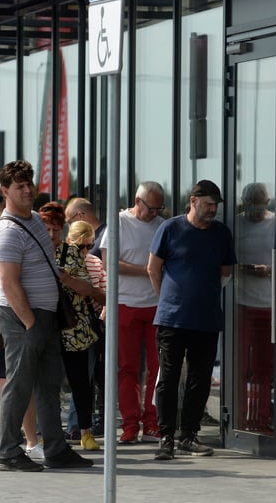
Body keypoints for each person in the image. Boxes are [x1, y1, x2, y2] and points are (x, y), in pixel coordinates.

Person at [0, 160, 93, 472]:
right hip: (21, 316)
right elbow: (9, 283)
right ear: (5, 191)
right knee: (19, 384)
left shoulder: (35, 219)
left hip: (43, 315)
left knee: (49, 384)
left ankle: (56, 449)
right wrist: (31, 323)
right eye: (19, 186)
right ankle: (8, 452)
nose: (26, 190)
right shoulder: (6, 231)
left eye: (28, 184)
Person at [148, 179, 236, 460]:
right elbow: (153, 268)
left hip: (207, 319)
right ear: (193, 201)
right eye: (208, 204)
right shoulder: (171, 228)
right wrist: (168, 299)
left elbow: (225, 272)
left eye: (215, 205)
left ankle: (188, 436)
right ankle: (165, 438)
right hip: (172, 319)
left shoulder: (221, 233)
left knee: (200, 380)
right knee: (169, 378)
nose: (212, 210)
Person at [100, 181, 165, 444]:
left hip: (155, 305)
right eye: (151, 208)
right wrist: (147, 270)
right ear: (138, 201)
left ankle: (152, 422)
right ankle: (129, 424)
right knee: (126, 368)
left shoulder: (162, 225)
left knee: (156, 367)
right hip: (125, 304)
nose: (155, 213)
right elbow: (108, 262)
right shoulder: (118, 222)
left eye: (159, 208)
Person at [39, 202, 104, 452]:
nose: (52, 235)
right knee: (48, 384)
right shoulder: (35, 252)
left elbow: (88, 289)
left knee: (80, 382)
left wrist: (64, 278)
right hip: (46, 327)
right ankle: (46, 433)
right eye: (47, 229)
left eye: (56, 229)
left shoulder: (72, 253)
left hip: (75, 327)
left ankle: (85, 431)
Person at [234, 183, 275, 433]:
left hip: (269, 304)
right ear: (244, 203)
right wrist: (242, 269)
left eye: (262, 206)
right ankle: (239, 419)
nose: (258, 212)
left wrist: (269, 270)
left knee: (264, 368)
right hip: (240, 303)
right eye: (253, 206)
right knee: (240, 366)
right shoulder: (236, 224)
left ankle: (261, 419)